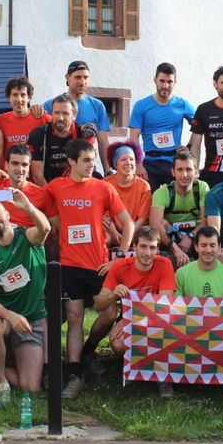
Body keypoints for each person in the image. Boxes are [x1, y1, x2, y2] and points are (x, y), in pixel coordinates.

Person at [45, 139, 134, 399]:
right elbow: (32, 195)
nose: (91, 165)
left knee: (108, 315)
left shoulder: (103, 188)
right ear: (71, 162)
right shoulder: (56, 186)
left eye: (93, 160)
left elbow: (128, 224)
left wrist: (120, 257)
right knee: (74, 319)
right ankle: (75, 374)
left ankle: (88, 350)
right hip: (70, 265)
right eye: (86, 160)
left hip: (99, 267)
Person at [0, 187, 52, 408]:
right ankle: (1, 384)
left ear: (8, 214)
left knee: (30, 387)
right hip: (4, 317)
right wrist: (11, 316)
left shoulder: (27, 237)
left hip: (31, 320)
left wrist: (27, 206)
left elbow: (45, 228)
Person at [93, 226, 177, 396]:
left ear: (158, 249)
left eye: (152, 248)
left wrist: (128, 319)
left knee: (165, 329)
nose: (147, 253)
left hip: (158, 318)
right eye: (143, 246)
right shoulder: (120, 266)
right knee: (117, 343)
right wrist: (113, 296)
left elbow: (164, 305)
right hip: (132, 318)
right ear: (134, 247)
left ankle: (162, 376)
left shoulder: (164, 264)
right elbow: (98, 305)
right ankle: (135, 365)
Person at [127, 62, 195, 191]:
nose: (165, 85)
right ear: (155, 80)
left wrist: (189, 146)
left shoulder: (183, 105)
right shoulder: (141, 105)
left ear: (175, 82)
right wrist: (138, 164)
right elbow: (133, 138)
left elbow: (199, 127)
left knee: (176, 201)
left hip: (174, 163)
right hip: (150, 164)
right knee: (147, 201)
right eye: (162, 81)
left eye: (169, 81)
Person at [43, 60, 112, 174]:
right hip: (57, 166)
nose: (82, 82)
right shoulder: (51, 105)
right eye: (78, 77)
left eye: (86, 77)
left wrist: (107, 171)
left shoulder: (97, 106)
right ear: (67, 77)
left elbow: (103, 141)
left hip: (86, 166)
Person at [149, 150, 209, 267]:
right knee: (162, 222)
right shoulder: (162, 192)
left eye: (189, 170)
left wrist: (190, 236)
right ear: (173, 172)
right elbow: (154, 223)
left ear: (196, 172)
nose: (184, 175)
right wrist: (175, 249)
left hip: (196, 235)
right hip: (171, 237)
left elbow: (205, 221)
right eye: (180, 170)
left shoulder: (202, 187)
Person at [0, 145, 52, 229]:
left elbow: (52, 228)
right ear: (6, 165)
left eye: (24, 165)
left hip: (28, 237)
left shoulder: (41, 194)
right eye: (15, 163)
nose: (20, 169)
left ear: (29, 167)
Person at [0, 76, 49, 171]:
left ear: (29, 98)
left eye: (23, 95)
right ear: (9, 97)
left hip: (36, 177)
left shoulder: (42, 118)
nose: (19, 99)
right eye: (15, 95)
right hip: (9, 177)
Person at [175, 226, 223, 297]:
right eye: (204, 245)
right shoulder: (181, 274)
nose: (208, 250)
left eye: (212, 245)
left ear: (219, 247)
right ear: (196, 247)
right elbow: (174, 304)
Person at [29, 94, 82, 186]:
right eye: (57, 113)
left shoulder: (81, 134)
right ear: (51, 114)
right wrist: (53, 193)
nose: (60, 118)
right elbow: (37, 176)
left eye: (65, 113)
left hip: (75, 187)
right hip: (47, 188)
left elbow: (86, 169)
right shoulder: (39, 134)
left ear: (74, 115)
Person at [104, 141, 152, 234]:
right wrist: (115, 233)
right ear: (115, 164)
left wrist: (128, 235)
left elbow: (142, 219)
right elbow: (105, 216)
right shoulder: (105, 184)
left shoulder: (144, 186)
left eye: (131, 159)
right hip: (112, 231)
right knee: (106, 239)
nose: (128, 163)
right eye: (123, 159)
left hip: (135, 230)